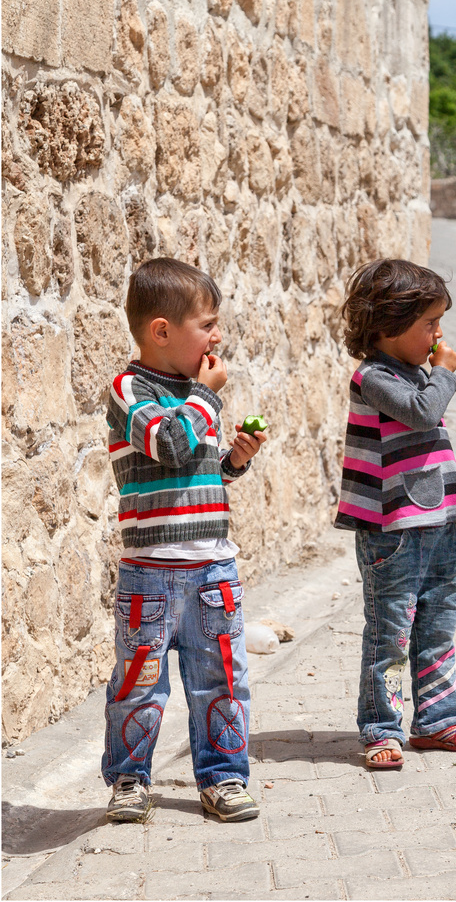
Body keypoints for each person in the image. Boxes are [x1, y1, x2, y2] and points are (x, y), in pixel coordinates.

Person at [102, 258, 267, 822]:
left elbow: (195, 468)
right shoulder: (128, 391)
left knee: (221, 681)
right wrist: (208, 398)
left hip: (211, 571)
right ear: (162, 331)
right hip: (148, 573)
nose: (218, 336)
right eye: (208, 323)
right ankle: (129, 780)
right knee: (139, 685)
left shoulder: (198, 394)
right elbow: (170, 444)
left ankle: (221, 778)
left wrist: (232, 462)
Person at [335, 258, 456, 768]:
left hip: (438, 526)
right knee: (391, 631)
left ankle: (439, 719)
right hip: (392, 531)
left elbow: (431, 447)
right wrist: (444, 373)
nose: (438, 335)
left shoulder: (416, 374)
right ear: (388, 326)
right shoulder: (373, 377)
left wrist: (454, 511)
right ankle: (381, 727)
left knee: (438, 625)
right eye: (429, 324)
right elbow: (423, 415)